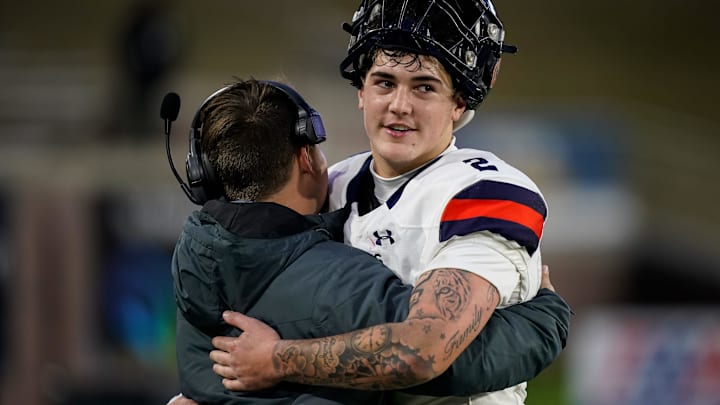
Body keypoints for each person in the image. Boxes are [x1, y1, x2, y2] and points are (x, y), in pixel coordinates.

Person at [209, 0, 558, 404]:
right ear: (361, 91)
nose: (399, 105)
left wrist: (277, 360)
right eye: (385, 82)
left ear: (459, 102)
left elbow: (422, 352)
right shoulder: (331, 183)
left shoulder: (485, 192)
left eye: (424, 86)